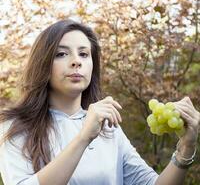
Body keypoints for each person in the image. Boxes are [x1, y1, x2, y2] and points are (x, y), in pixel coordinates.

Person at [0, 19, 199, 185]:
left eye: (84, 54)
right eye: (61, 54)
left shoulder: (108, 127)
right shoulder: (14, 127)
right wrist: (83, 137)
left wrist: (185, 148)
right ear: (42, 64)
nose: (76, 61)